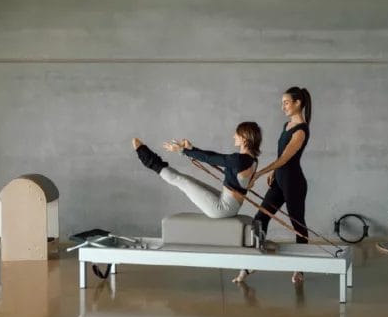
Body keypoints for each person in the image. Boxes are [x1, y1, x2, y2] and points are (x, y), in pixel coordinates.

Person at [235, 86, 312, 284]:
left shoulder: (301, 131)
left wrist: (260, 173)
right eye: (282, 103)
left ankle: (300, 269)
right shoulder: (286, 126)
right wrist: (273, 173)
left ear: (298, 103)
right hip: (279, 180)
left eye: (286, 102)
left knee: (298, 225)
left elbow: (286, 158)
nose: (283, 106)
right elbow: (280, 158)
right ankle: (250, 264)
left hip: (294, 183)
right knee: (260, 218)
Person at [131, 121, 261, 219]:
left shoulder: (239, 160)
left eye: (237, 134)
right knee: (188, 180)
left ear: (244, 138)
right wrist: (191, 149)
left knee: (181, 181)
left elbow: (210, 158)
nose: (234, 136)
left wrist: (182, 150)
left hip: (222, 209)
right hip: (230, 205)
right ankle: (152, 161)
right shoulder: (252, 160)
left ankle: (150, 161)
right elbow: (212, 156)